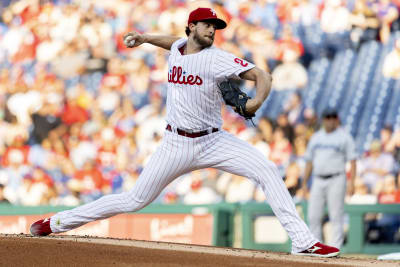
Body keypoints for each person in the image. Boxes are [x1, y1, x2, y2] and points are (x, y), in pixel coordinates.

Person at [30, 7, 339, 257]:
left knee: (267, 170)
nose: (212, 30)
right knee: (134, 199)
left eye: (215, 27)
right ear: (190, 28)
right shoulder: (179, 46)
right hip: (175, 143)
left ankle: (302, 241)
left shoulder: (217, 58)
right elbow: (172, 42)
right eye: (206, 25)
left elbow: (262, 75)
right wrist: (146, 38)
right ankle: (56, 223)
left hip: (214, 140)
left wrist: (255, 102)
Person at [301, 109, 357, 249]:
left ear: (337, 119)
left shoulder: (344, 137)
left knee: (336, 215)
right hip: (318, 179)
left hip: (337, 178)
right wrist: (303, 183)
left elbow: (353, 161)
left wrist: (352, 182)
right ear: (323, 119)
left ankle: (335, 248)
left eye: (333, 117)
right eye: (327, 117)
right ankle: (318, 247)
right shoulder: (316, 137)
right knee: (313, 215)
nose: (330, 120)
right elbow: (309, 162)